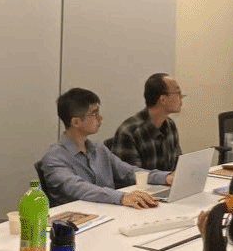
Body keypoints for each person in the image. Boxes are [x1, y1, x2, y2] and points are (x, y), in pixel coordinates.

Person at [39, 88, 171, 208]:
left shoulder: (98, 149)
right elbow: (79, 188)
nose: (100, 118)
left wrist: (166, 177)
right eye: (94, 114)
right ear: (76, 122)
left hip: (109, 212)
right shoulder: (54, 158)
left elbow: (128, 172)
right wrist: (121, 197)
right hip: (77, 220)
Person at [108, 72, 183, 171]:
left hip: (167, 181)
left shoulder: (170, 125)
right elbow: (131, 176)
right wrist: (166, 177)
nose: (181, 97)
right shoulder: (130, 132)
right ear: (163, 99)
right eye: (178, 92)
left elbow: (178, 166)